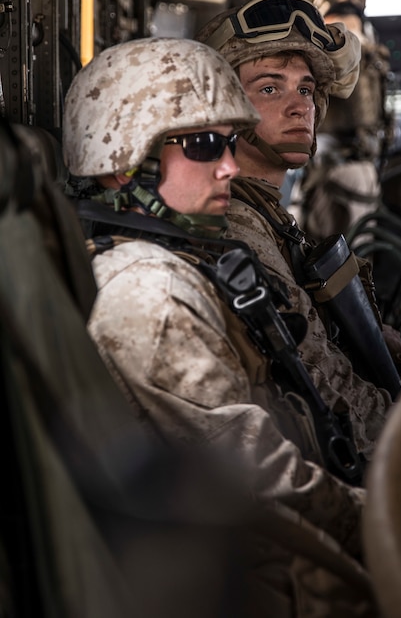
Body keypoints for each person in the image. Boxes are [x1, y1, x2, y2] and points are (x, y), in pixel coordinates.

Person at [61, 36, 378, 614]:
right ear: (124, 159)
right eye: (206, 146)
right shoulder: (150, 293)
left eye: (230, 143)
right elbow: (256, 477)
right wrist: (382, 521)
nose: (230, 166)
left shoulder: (175, 263)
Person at [196, 0, 401, 413]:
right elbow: (327, 398)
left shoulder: (265, 216)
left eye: (306, 89)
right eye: (269, 87)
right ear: (222, 106)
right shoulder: (236, 231)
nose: (300, 107)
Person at [290, 0, 393, 241]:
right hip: (367, 171)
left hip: (332, 171)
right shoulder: (376, 59)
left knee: (321, 257)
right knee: (360, 258)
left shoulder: (333, 58)